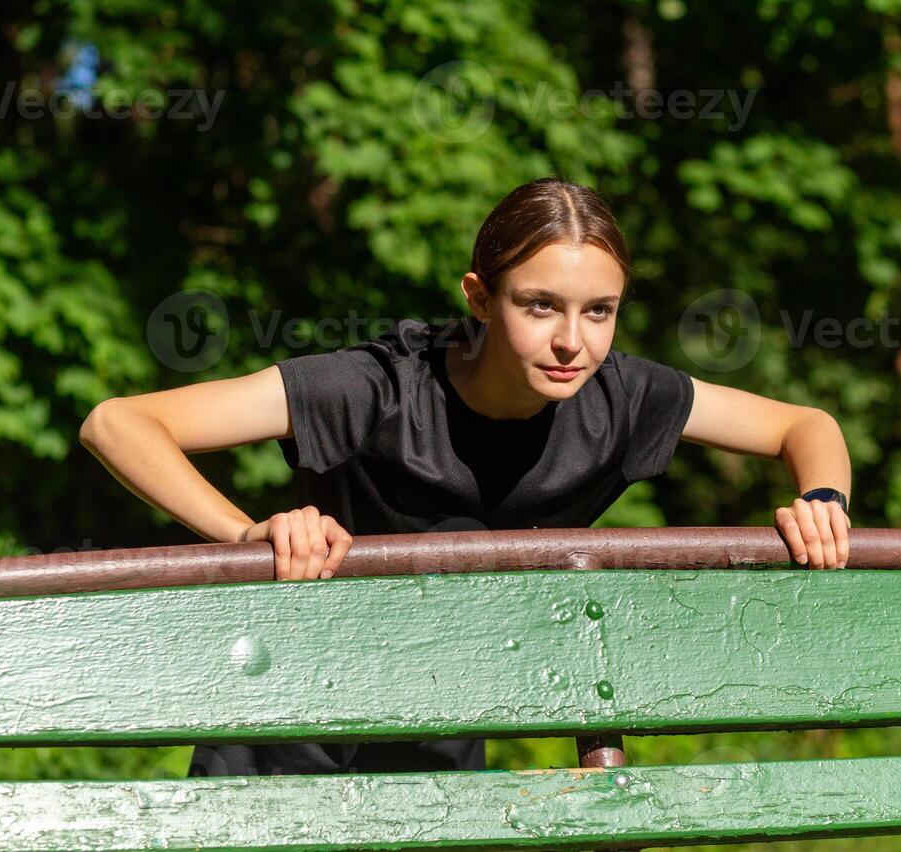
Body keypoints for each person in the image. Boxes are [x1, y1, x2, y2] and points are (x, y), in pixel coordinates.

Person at [78, 176, 853, 779]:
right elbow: (118, 422)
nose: (571, 342)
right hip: (284, 739)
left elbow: (804, 425)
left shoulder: (621, 397)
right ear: (479, 298)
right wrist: (247, 534)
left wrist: (823, 499)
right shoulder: (377, 387)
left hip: (441, 747)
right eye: (539, 305)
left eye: (599, 311)